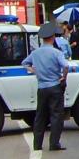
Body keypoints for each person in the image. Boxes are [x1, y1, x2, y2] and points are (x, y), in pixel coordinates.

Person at [22, 22, 71, 151]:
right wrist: (63, 77)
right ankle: (54, 143)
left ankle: (37, 144)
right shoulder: (56, 52)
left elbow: (24, 63)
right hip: (55, 86)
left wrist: (33, 70)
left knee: (40, 116)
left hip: (42, 87)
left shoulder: (36, 53)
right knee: (56, 115)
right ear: (53, 37)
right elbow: (66, 66)